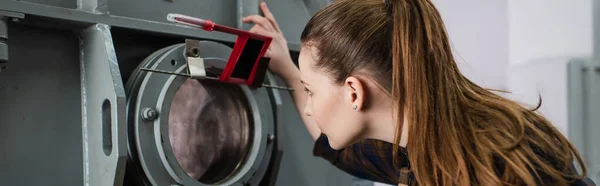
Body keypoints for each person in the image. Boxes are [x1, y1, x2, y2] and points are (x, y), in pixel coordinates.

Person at [243, 0, 596, 185]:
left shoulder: (496, 165)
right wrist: (291, 72)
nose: (308, 108)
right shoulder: (426, 143)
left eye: (311, 92)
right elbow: (338, 144)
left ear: (354, 93)